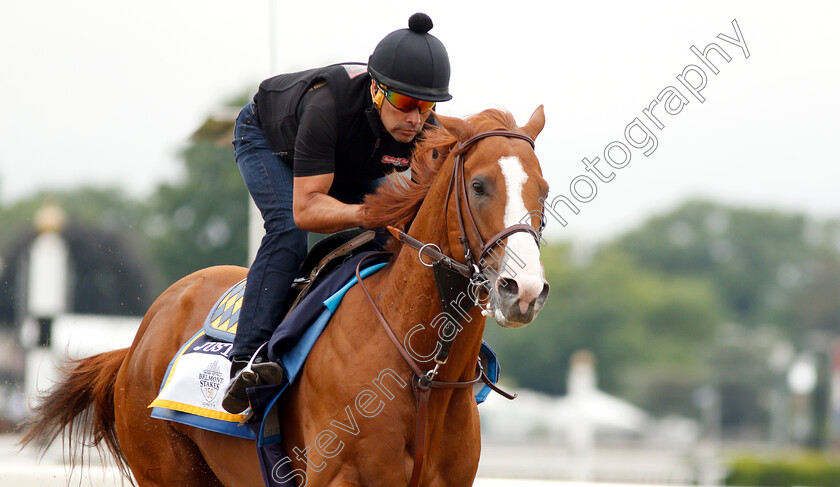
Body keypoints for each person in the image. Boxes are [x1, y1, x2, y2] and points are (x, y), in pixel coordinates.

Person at [222, 12, 453, 414]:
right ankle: (246, 362)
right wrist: (366, 214)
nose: (415, 118)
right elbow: (307, 209)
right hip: (270, 142)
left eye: (426, 106)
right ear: (378, 91)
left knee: (401, 237)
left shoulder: (423, 127)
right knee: (287, 233)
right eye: (405, 103)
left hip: (345, 163)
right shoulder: (328, 105)